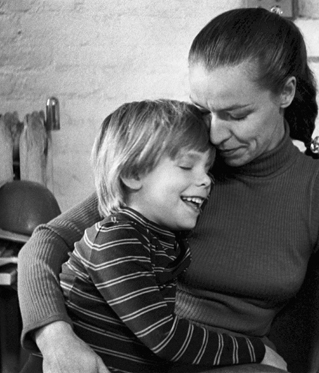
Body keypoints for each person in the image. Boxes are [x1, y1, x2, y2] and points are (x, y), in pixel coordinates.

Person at [18, 7, 319, 373]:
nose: (215, 134)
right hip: (121, 352)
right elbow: (46, 241)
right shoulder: (180, 162)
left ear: (286, 93)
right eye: (204, 110)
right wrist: (56, 338)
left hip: (225, 359)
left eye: (236, 115)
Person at [20, 99, 287, 372]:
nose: (207, 180)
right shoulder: (118, 238)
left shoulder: (155, 238)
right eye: (186, 166)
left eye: (207, 169)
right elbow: (164, 336)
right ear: (133, 174)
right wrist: (255, 351)